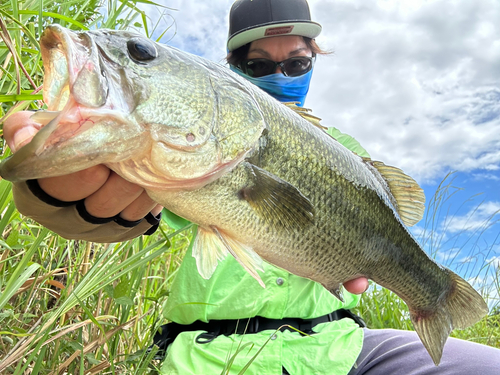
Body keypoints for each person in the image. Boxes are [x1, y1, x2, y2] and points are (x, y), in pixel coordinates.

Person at [4, 0, 500, 374]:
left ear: (314, 61)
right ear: (231, 72)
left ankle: (434, 297)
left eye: (297, 63)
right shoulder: (172, 163)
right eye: (259, 65)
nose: (280, 75)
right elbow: (126, 215)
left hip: (338, 348)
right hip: (209, 356)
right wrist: (57, 198)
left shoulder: (345, 150)